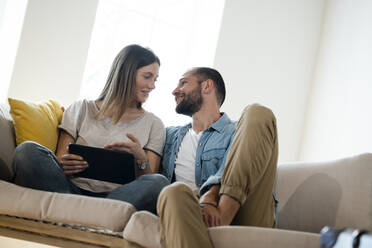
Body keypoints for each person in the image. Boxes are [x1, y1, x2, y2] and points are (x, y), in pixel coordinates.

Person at [12, 44, 169, 214]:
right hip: (70, 190)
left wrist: (140, 158)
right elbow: (60, 157)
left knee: (159, 182)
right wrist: (64, 163)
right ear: (126, 74)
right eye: (147, 77)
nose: (152, 85)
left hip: (117, 198)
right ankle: (82, 213)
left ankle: (75, 214)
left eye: (155, 79)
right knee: (26, 151)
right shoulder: (82, 108)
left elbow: (149, 178)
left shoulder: (154, 124)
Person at [157, 67, 278, 247]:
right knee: (172, 192)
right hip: (193, 213)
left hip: (244, 211)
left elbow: (240, 161)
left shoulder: (242, 130)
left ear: (206, 86)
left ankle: (223, 217)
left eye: (183, 83)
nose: (175, 91)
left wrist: (211, 195)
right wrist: (140, 158)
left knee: (258, 112)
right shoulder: (167, 135)